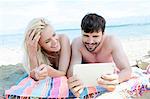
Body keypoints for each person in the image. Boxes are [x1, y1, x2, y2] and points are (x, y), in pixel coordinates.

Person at [67, 13, 132, 97]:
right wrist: (74, 82)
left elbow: (127, 70)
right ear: (81, 32)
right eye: (86, 35)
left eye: (95, 36)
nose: (90, 41)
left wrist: (117, 79)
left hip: (106, 79)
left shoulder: (112, 42)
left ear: (103, 33)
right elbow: (72, 71)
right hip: (87, 80)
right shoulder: (77, 43)